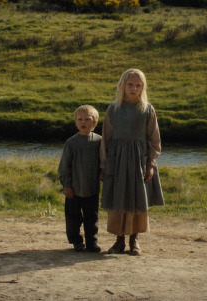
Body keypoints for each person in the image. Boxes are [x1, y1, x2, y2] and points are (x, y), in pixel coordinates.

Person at [100, 69, 164, 256]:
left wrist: (150, 164)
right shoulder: (113, 109)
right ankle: (119, 241)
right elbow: (106, 138)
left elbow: (154, 139)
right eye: (130, 85)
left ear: (143, 87)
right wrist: (104, 165)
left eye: (138, 85)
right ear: (123, 85)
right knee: (118, 198)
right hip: (117, 161)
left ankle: (134, 240)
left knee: (137, 199)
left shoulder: (147, 109)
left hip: (139, 161)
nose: (134, 88)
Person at [58, 105, 102, 253]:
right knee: (73, 218)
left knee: (92, 218)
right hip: (74, 189)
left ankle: (92, 242)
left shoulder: (99, 141)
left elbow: (104, 161)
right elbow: (64, 166)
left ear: (94, 123)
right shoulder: (72, 143)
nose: (83, 122)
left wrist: (103, 172)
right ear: (76, 122)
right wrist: (67, 186)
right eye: (80, 119)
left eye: (87, 119)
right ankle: (76, 241)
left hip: (92, 189)